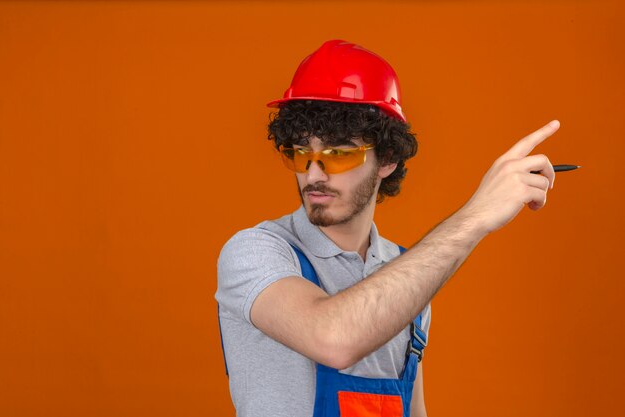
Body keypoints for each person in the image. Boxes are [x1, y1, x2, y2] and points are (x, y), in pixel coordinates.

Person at [216, 39, 558, 417]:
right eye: (301, 152)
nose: (313, 173)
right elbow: (334, 337)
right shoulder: (256, 252)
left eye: (339, 153)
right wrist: (475, 216)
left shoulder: (405, 271)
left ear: (388, 158)